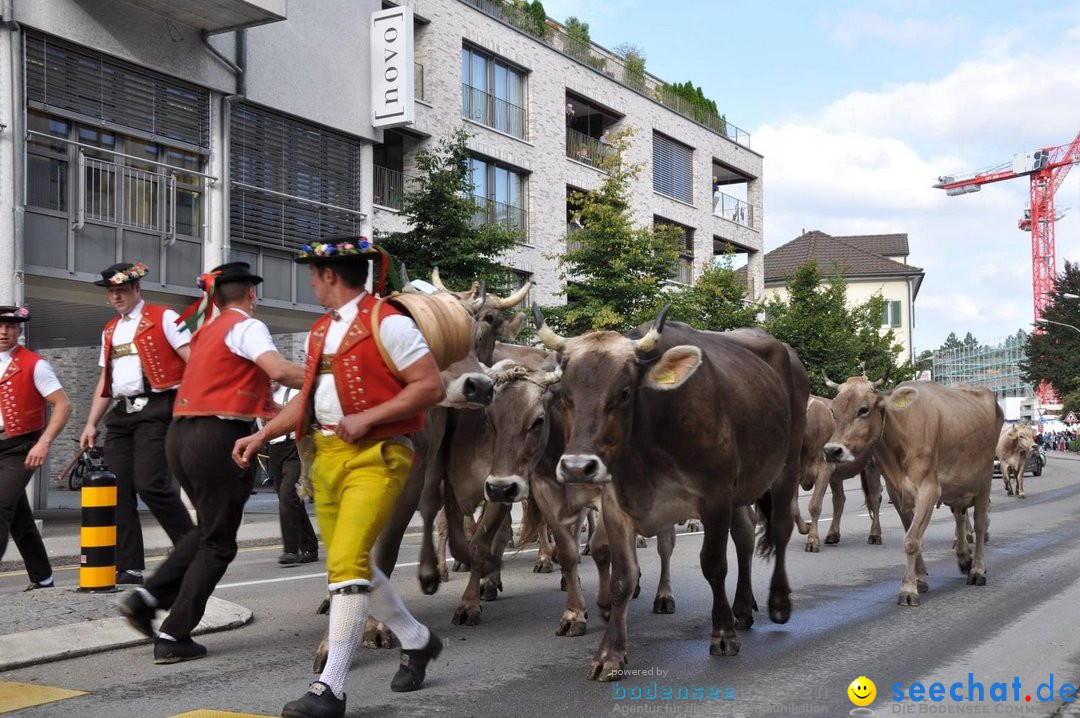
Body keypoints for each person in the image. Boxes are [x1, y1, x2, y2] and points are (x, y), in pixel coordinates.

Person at [233, 236, 446, 718]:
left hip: (379, 454)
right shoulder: (319, 332)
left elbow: (430, 386)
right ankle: (418, 640)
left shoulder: (388, 323)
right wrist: (263, 434)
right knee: (350, 566)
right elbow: (306, 400)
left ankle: (330, 689)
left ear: (331, 275)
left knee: (348, 564)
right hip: (327, 456)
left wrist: (371, 418)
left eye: (313, 272)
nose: (310, 280)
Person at [120, 262, 304, 664]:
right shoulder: (246, 325)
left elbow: (232, 380)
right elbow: (278, 370)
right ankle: (172, 634)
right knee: (219, 543)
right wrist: (323, 376)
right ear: (251, 295)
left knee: (207, 530)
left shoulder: (205, 334)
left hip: (180, 435)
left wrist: (262, 394)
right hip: (216, 439)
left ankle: (147, 598)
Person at [79, 262, 193, 586]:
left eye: (122, 290)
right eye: (112, 292)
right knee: (118, 489)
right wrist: (91, 424)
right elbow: (106, 380)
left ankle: (192, 546)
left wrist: (190, 407)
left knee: (150, 483)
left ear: (137, 289)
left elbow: (194, 360)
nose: (116, 296)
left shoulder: (166, 318)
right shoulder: (109, 330)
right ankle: (130, 566)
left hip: (157, 409)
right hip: (121, 414)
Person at [0, 306, 70, 591]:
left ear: (19, 330)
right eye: (0, 325)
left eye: (10, 326)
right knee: (19, 517)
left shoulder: (34, 364)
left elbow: (63, 405)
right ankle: (43, 578)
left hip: (20, 448)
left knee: (0, 506)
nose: (3, 331)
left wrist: (44, 442)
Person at [267, 380, 318, 566]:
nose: (271, 380)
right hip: (273, 450)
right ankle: (310, 546)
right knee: (291, 500)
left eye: (274, 377)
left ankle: (291, 550)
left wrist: (276, 407)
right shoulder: (260, 395)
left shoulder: (293, 392)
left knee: (288, 496)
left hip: (294, 449)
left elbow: (299, 415)